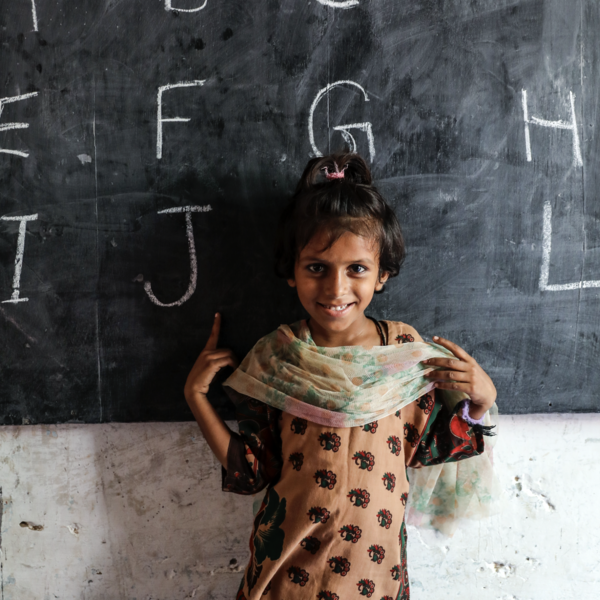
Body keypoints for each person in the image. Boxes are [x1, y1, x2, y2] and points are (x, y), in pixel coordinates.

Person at [184, 153, 498, 600]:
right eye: (316, 268)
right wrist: (196, 395)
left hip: (375, 577)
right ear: (291, 272)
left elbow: (424, 448)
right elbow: (253, 472)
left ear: (383, 275)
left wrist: (479, 403)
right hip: (287, 577)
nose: (335, 289)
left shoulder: (404, 354)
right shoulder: (276, 358)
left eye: (357, 269)